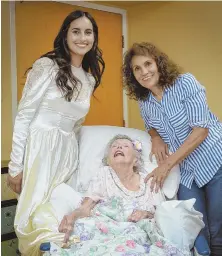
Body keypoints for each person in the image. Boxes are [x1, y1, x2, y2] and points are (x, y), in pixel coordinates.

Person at [7, 10, 105, 255]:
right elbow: (24, 116)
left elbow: (76, 123)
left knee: (60, 213)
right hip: (39, 149)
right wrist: (15, 166)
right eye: (76, 31)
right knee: (33, 215)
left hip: (66, 153)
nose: (82, 37)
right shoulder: (46, 66)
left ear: (94, 38)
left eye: (88, 32)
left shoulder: (89, 79)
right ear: (65, 35)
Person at [122, 42, 222, 256]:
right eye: (137, 69)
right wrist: (156, 137)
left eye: (147, 64)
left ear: (158, 63)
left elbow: (201, 130)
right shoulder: (144, 101)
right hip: (187, 171)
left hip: (215, 160)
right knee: (194, 226)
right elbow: (150, 126)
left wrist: (166, 164)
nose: (144, 72)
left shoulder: (185, 83)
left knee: (217, 227)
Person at [57, 135, 196, 255]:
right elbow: (86, 207)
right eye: (114, 146)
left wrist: (145, 214)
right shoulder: (104, 174)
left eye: (125, 146)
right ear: (108, 159)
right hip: (108, 231)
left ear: (136, 159)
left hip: (139, 234)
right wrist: (71, 217)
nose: (118, 147)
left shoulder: (149, 180)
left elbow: (161, 215)